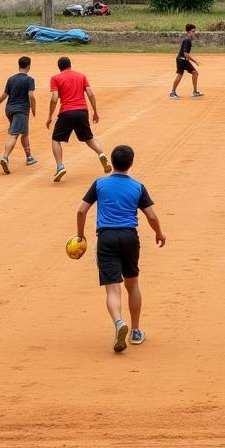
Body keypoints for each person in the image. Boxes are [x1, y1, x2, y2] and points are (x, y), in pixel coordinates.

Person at [74, 144, 166, 352]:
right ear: (130, 163)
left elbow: (81, 211)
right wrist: (159, 233)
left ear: (112, 162)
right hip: (129, 237)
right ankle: (135, 331)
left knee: (112, 288)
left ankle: (118, 323)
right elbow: (151, 216)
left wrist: (80, 236)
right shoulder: (137, 187)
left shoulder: (99, 184)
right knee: (132, 283)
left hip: (106, 237)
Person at [46, 55, 110, 183]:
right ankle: (101, 154)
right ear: (70, 65)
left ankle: (60, 166)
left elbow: (54, 99)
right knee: (89, 138)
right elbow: (91, 94)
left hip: (66, 112)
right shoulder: (81, 76)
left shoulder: (55, 78)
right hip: (82, 111)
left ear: (59, 67)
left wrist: (49, 116)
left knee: (56, 139)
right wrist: (95, 112)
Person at [0, 55, 38, 173]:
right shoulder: (29, 80)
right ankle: (5, 157)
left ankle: (29, 157)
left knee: (24, 133)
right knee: (15, 135)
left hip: (9, 109)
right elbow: (31, 95)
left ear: (19, 65)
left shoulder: (11, 79)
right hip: (21, 110)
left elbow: (5, 94)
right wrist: (33, 108)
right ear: (29, 66)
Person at [169, 23, 203, 98]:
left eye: (194, 31)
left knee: (195, 73)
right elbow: (185, 54)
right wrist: (195, 61)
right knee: (180, 74)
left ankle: (195, 92)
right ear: (188, 32)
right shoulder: (187, 40)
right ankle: (173, 92)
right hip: (181, 60)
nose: (194, 33)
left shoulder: (188, 39)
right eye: (193, 31)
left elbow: (186, 55)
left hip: (185, 60)